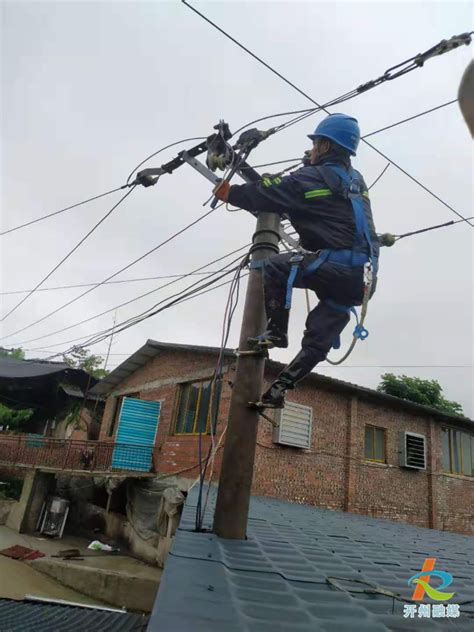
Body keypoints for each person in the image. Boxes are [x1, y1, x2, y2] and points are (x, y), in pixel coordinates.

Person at [213, 113, 379, 409]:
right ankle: (280, 388)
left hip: (335, 265)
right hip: (363, 279)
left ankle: (276, 332)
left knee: (276, 266)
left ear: (326, 146)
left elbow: (270, 191)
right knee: (320, 338)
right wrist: (309, 166)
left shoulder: (311, 178)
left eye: (316, 145)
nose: (312, 150)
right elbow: (323, 197)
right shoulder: (356, 179)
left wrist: (230, 193)